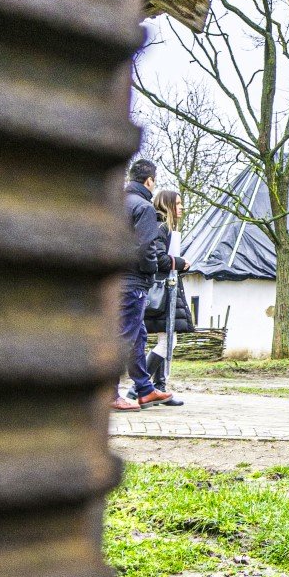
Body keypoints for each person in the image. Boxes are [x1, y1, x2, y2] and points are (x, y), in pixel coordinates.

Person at [113, 158, 175, 411]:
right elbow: (147, 246)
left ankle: (145, 389)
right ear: (149, 181)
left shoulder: (115, 203)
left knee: (138, 334)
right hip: (134, 280)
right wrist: (150, 270)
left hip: (115, 279)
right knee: (125, 336)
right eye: (154, 181)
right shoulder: (144, 207)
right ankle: (110, 394)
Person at [144, 188, 194, 405]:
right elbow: (159, 259)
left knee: (167, 340)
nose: (181, 207)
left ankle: (159, 387)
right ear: (167, 205)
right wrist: (180, 263)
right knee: (167, 342)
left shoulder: (165, 227)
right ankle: (142, 387)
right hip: (162, 291)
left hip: (168, 289)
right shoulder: (161, 226)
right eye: (178, 204)